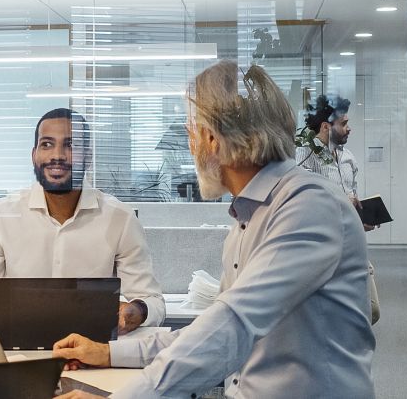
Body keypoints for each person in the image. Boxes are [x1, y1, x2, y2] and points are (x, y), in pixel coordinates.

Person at [51, 61, 374, 398]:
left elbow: (232, 325)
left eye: (192, 132)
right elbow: (210, 331)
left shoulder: (308, 205)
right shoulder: (247, 217)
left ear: (211, 139)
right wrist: (108, 352)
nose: (191, 146)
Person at [0, 108, 165, 333]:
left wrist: (138, 310)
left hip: (91, 349)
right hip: (16, 350)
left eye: (70, 145)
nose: (57, 156)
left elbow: (152, 301)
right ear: (34, 155)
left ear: (88, 156)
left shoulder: (120, 219)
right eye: (47, 144)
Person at [296, 94, 381, 324]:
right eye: (343, 123)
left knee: (371, 311)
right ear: (326, 126)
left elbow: (353, 197)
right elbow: (304, 209)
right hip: (322, 252)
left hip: (351, 246)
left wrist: (361, 217)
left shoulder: (348, 158)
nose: (348, 128)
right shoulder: (305, 158)